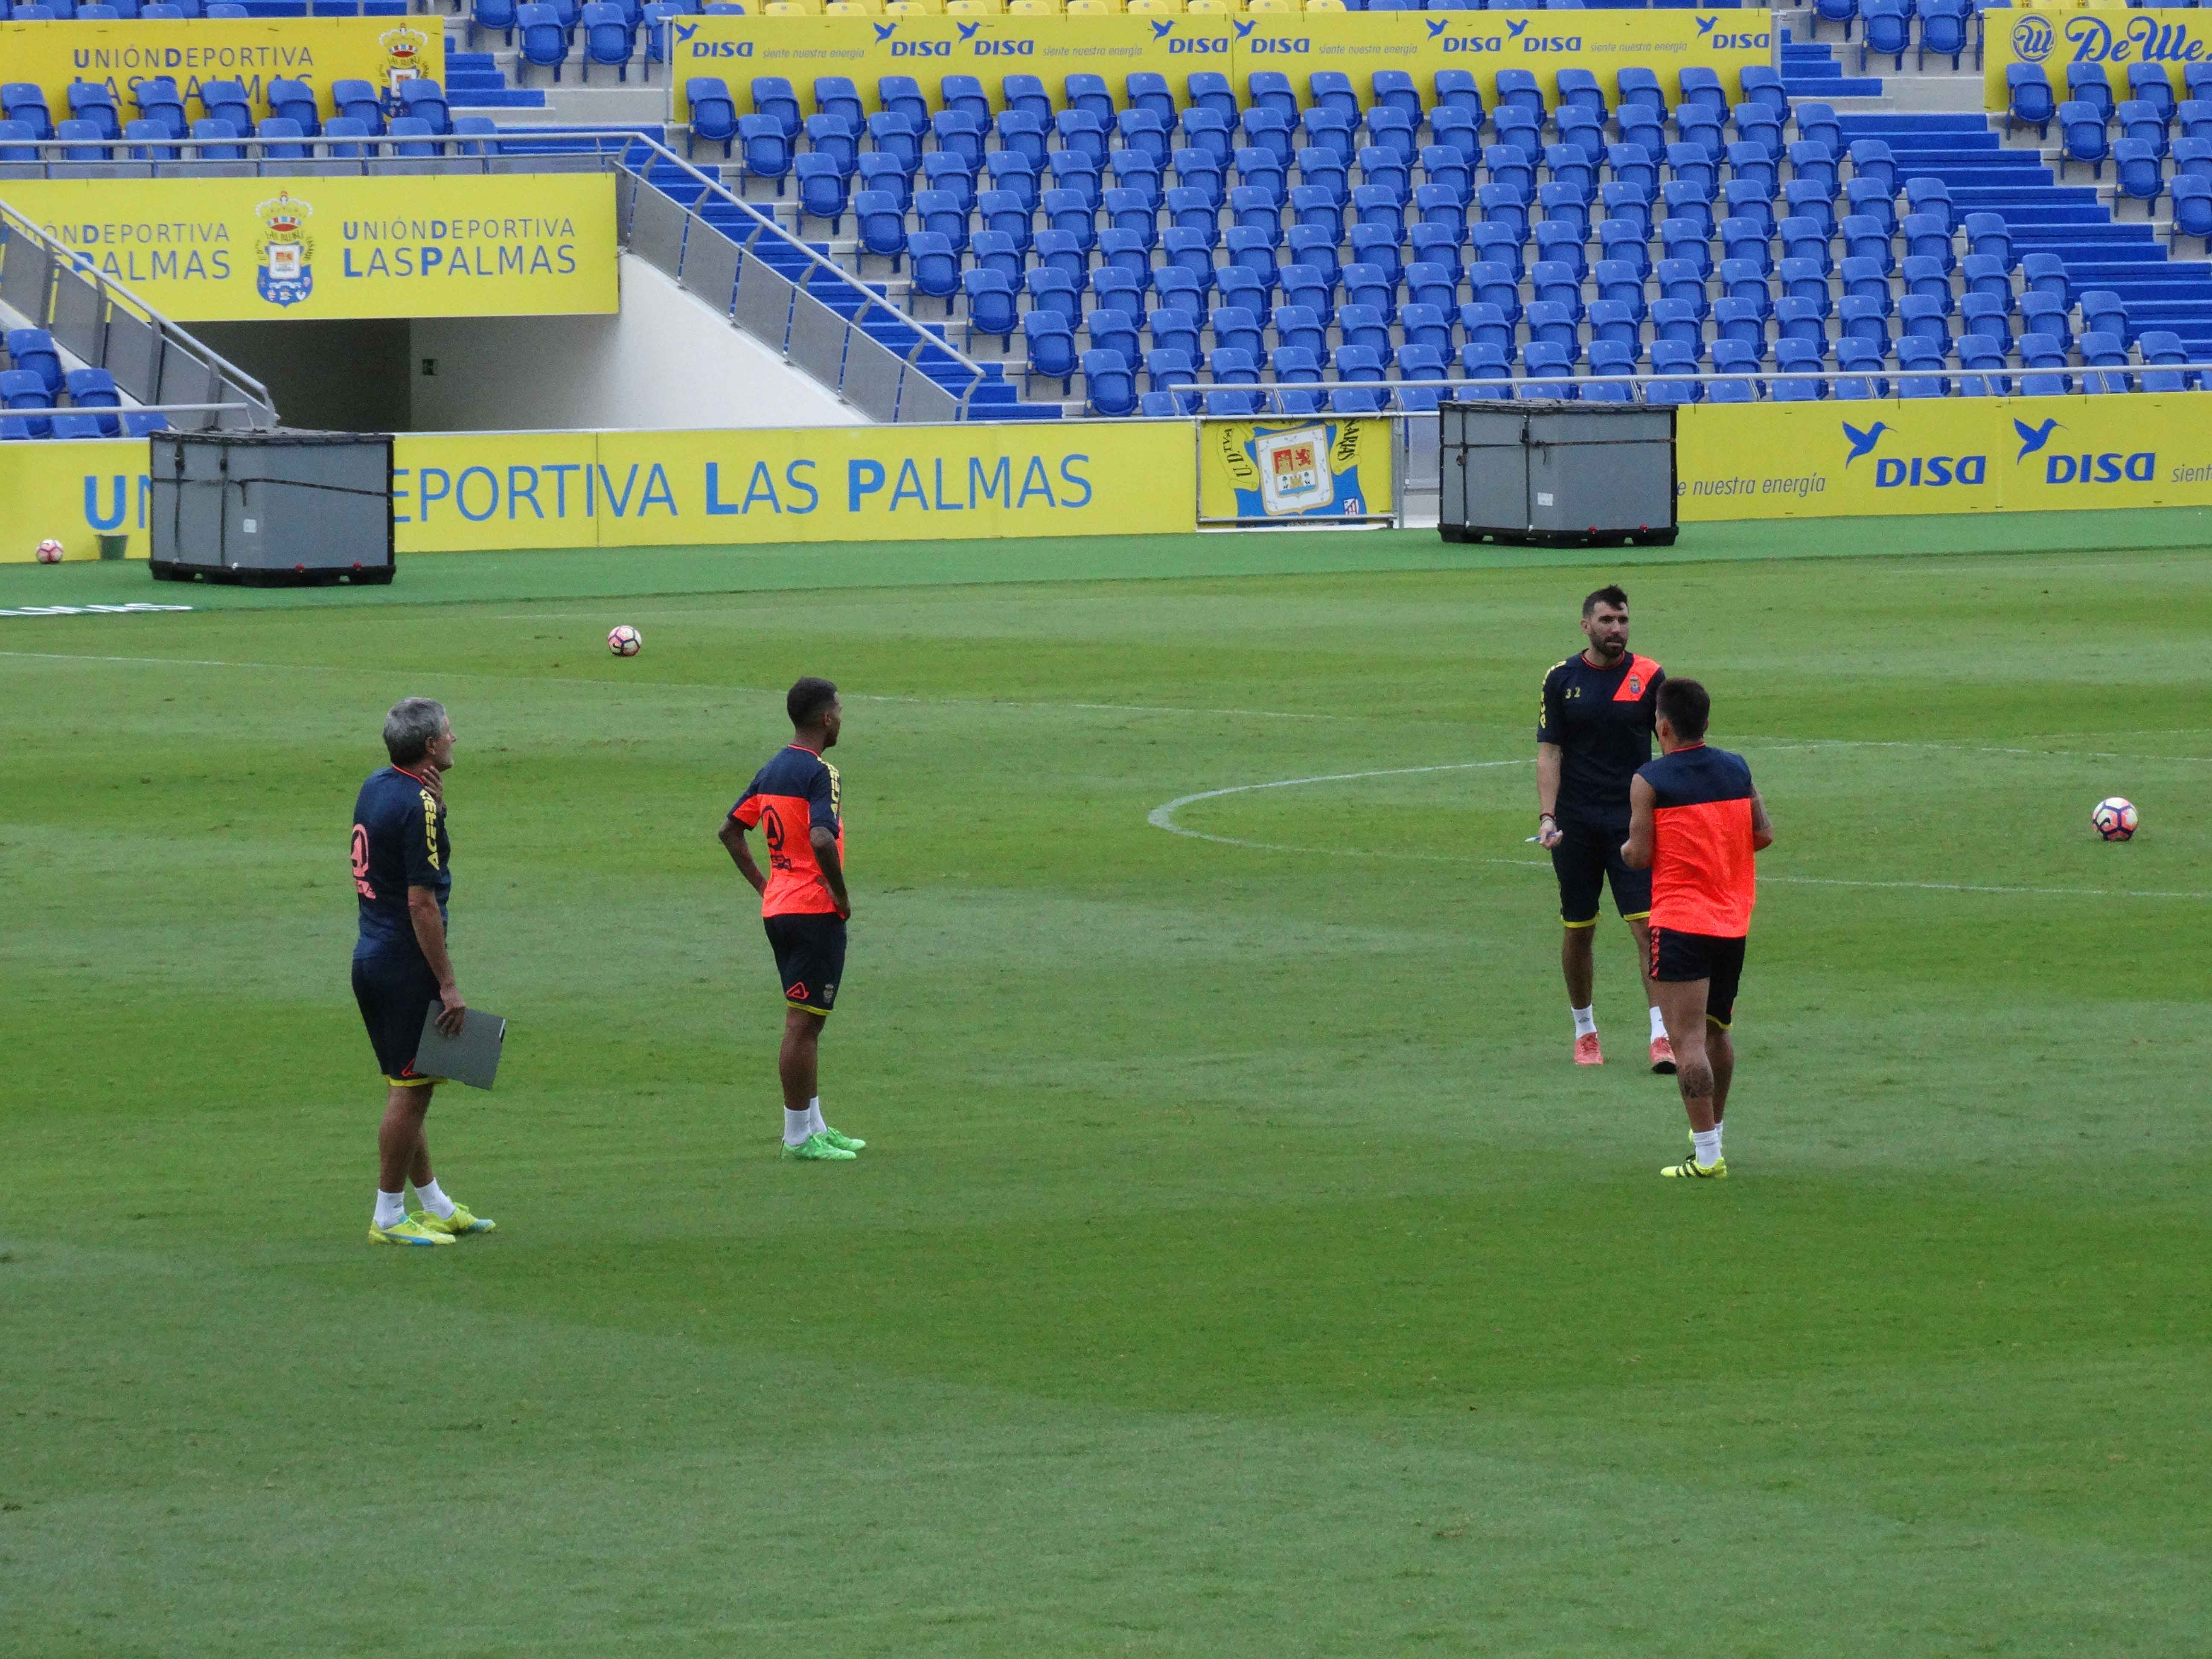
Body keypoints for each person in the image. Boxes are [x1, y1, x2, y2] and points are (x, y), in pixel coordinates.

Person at [350, 698, 496, 1245]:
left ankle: (434, 1203)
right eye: (449, 733)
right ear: (431, 746)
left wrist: (436, 812)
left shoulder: (377, 785)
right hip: (405, 964)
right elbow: (421, 903)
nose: (455, 740)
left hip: (372, 956)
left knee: (410, 1086)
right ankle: (388, 1216)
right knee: (411, 1093)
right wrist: (449, 984)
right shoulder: (419, 806)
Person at [1621, 678, 1774, 1180]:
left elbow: (1639, 856)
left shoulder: (1650, 780)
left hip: (1681, 923)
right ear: (1706, 722)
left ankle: (1707, 1158)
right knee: (1717, 1032)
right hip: (1732, 920)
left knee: (1685, 1040)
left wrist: (1625, 850)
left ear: (1662, 727)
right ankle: (1714, 1133)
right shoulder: (1737, 768)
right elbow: (1763, 835)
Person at [719, 677, 867, 1163]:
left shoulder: (773, 768)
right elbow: (822, 838)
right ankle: (798, 1138)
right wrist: (840, 894)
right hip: (813, 913)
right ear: (826, 718)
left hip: (780, 910)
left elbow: (730, 831)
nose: (841, 718)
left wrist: (768, 887)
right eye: (839, 710)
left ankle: (815, 1127)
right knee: (802, 1027)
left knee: (808, 1024)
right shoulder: (821, 774)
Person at [1534, 585, 1674, 1071]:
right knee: (1579, 929)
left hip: (1632, 821)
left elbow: (1672, 748)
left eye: (1623, 620)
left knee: (1648, 929)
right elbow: (1550, 752)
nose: (1617, 629)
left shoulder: (1649, 675)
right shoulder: (1561, 678)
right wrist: (1548, 816)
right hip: (1575, 823)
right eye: (1607, 621)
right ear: (1586, 626)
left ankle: (1661, 1037)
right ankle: (1585, 1032)